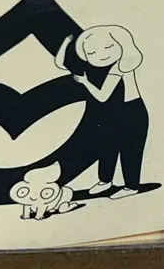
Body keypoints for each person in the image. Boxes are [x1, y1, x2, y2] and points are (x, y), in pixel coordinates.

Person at [54, 25, 152, 197]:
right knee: (107, 145)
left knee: (130, 150)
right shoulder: (95, 68)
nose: (101, 54)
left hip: (132, 111)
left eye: (108, 47)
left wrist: (85, 82)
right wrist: (66, 43)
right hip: (113, 113)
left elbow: (102, 96)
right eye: (92, 52)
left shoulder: (121, 66)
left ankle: (131, 186)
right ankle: (105, 181)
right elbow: (61, 64)